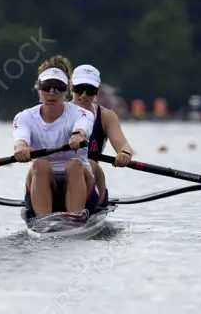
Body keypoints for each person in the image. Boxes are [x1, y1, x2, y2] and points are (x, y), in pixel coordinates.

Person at [13, 56, 100, 219]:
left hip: (81, 183)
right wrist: (22, 148)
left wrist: (78, 136)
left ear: (66, 90)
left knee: (74, 165)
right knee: (40, 165)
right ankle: (43, 221)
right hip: (42, 182)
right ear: (39, 89)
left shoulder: (82, 113)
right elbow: (20, 140)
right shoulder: (24, 117)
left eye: (58, 87)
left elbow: (83, 127)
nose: (52, 93)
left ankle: (74, 218)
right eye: (47, 87)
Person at [68, 64, 134, 207]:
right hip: (62, 178)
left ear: (97, 91)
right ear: (71, 86)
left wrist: (124, 153)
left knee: (89, 164)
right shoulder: (59, 112)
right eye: (79, 89)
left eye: (90, 90)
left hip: (92, 181)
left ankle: (80, 209)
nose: (84, 95)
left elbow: (123, 144)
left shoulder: (106, 116)